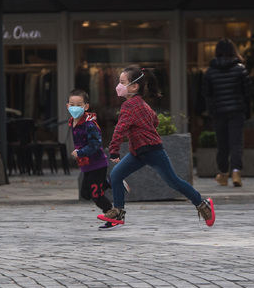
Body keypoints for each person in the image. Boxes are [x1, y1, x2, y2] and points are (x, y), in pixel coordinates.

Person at [99, 65, 215, 227]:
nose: (118, 86)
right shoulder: (140, 103)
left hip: (152, 150)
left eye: (122, 82)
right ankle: (118, 212)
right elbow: (155, 120)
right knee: (117, 175)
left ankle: (203, 204)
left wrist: (114, 151)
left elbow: (120, 129)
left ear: (134, 86)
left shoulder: (129, 106)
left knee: (174, 182)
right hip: (138, 152)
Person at [68, 88, 128, 231]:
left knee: (97, 196)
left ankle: (112, 219)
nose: (75, 107)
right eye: (72, 104)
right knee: (85, 194)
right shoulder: (73, 122)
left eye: (79, 104)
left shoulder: (90, 125)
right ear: (67, 106)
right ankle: (109, 182)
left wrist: (80, 152)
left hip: (97, 164)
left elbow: (96, 145)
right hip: (86, 166)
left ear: (86, 106)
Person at [202, 38, 253, 187]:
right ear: (233, 51)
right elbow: (248, 91)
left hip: (219, 110)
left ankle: (223, 174)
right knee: (236, 142)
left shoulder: (210, 71)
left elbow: (206, 92)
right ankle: (236, 172)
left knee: (222, 142)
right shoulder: (240, 69)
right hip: (237, 109)